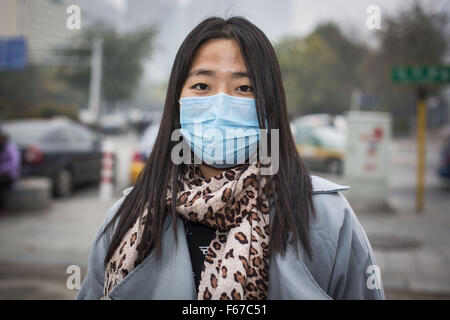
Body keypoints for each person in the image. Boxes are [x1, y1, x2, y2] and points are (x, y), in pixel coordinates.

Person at [76, 16, 385, 300]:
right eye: (202, 86)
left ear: (271, 105)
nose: (221, 102)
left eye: (244, 87)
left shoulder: (326, 217)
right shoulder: (127, 218)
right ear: (178, 102)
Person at [0, 128, 21, 207]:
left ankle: (2, 206)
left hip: (9, 176)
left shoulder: (10, 148)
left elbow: (14, 163)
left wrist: (1, 169)